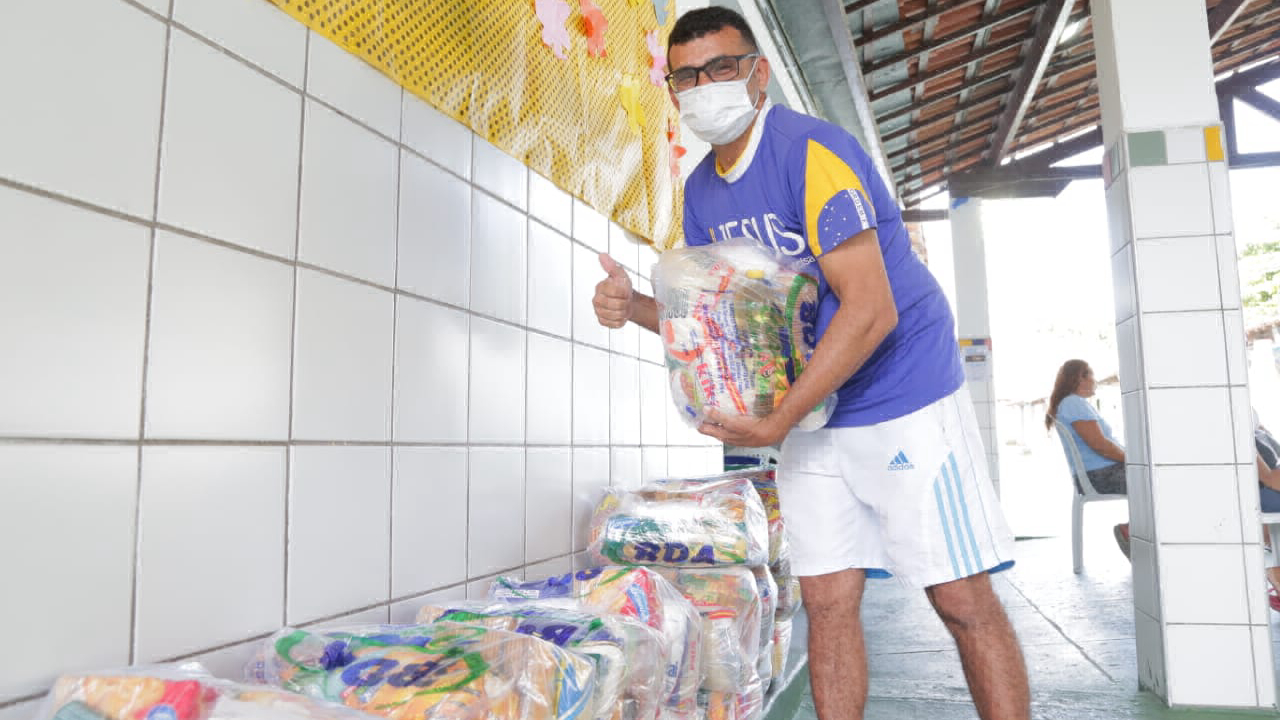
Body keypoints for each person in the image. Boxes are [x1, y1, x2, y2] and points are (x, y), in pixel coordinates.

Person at [590, 8, 1029, 720]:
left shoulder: (813, 152)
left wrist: (780, 419)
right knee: (825, 599)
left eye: (722, 67)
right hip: (814, 409)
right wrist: (634, 304)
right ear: (672, 91)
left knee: (959, 596)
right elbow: (724, 318)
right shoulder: (700, 192)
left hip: (902, 391)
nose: (706, 86)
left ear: (758, 73)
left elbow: (870, 311)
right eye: (688, 76)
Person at [1044, 359, 1131, 558]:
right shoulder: (1073, 403)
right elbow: (1100, 445)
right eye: (1091, 375)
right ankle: (1132, 531)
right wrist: (1132, 461)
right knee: (1154, 480)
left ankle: (1137, 533)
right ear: (1079, 379)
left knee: (1153, 477)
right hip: (1099, 476)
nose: (1095, 380)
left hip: (1101, 473)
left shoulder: (1074, 403)